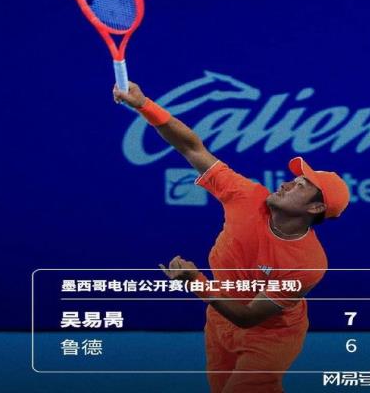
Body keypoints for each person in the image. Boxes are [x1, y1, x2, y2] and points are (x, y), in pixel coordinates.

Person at [113, 82, 350, 393]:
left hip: (270, 336)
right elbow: (192, 148)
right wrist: (144, 105)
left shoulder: (308, 264)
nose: (287, 184)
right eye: (294, 179)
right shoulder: (247, 196)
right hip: (220, 320)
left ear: (315, 208)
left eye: (300, 186)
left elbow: (249, 317)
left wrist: (196, 282)